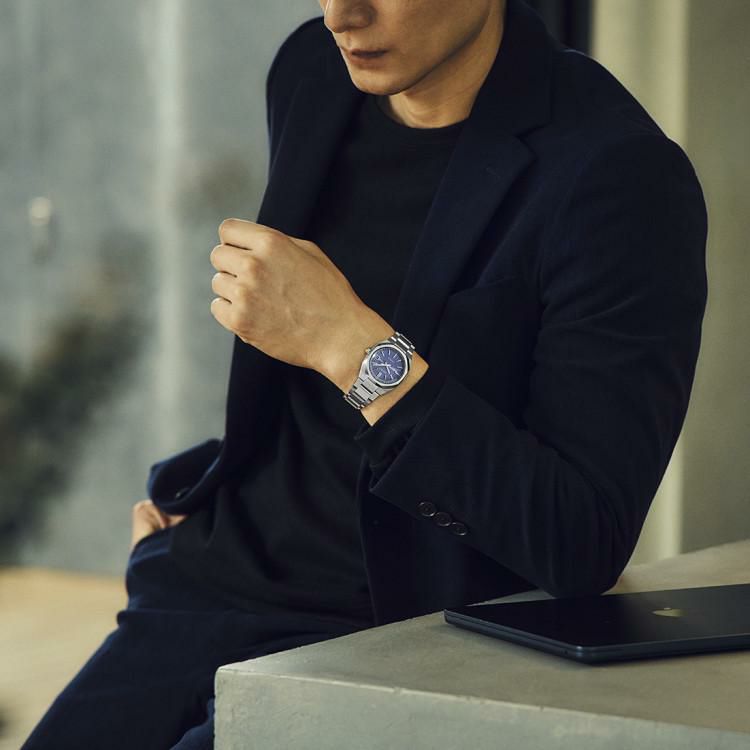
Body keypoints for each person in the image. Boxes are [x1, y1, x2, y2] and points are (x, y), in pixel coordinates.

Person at [22, 0, 708, 747]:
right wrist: (203, 518)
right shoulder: (311, 72)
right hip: (208, 585)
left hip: (388, 635)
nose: (340, 14)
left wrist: (350, 346)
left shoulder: (619, 177)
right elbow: (299, 413)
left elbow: (580, 538)